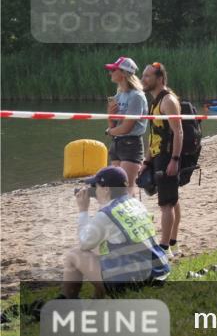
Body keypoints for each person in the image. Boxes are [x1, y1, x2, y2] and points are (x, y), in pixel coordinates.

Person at [58, 166, 170, 299]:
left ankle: (66, 300)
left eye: (96, 186)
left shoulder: (106, 214)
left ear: (106, 189)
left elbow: (84, 243)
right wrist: (102, 201)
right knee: (101, 249)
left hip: (134, 282)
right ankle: (97, 298)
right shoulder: (136, 204)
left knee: (73, 255)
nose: (94, 190)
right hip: (158, 273)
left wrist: (83, 210)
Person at [139, 62, 184, 260]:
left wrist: (174, 159)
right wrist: (147, 161)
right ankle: (173, 243)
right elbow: (155, 135)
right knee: (173, 200)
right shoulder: (154, 102)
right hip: (158, 156)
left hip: (167, 157)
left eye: (147, 76)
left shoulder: (168, 101)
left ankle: (164, 248)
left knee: (166, 203)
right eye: (143, 75)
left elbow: (178, 132)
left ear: (160, 79)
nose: (143, 79)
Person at [104, 56, 148, 196]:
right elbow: (113, 124)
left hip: (131, 144)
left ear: (123, 73)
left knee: (128, 190)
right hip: (116, 144)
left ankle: (136, 211)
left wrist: (110, 132)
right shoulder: (118, 95)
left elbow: (127, 128)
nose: (110, 73)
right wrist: (110, 115)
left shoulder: (136, 96)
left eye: (113, 70)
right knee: (116, 190)